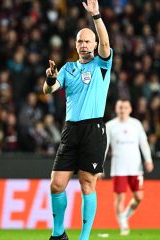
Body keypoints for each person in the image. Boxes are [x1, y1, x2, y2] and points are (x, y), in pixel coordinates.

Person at [43, 0, 113, 239]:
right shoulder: (68, 68)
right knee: (56, 184)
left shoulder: (102, 65)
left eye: (87, 41)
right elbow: (48, 90)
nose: (83, 45)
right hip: (70, 129)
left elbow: (106, 42)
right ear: (76, 44)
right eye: (80, 41)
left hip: (93, 128)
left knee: (87, 184)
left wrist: (96, 16)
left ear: (94, 44)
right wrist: (51, 79)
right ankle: (59, 234)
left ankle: (83, 238)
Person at [105, 99, 154, 235]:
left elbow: (143, 143)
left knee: (139, 197)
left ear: (130, 109)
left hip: (135, 167)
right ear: (116, 109)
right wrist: (100, 165)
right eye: (120, 107)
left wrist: (148, 159)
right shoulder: (110, 126)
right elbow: (104, 147)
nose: (122, 110)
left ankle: (124, 216)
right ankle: (123, 226)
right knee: (120, 197)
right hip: (119, 168)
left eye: (125, 107)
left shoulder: (136, 124)